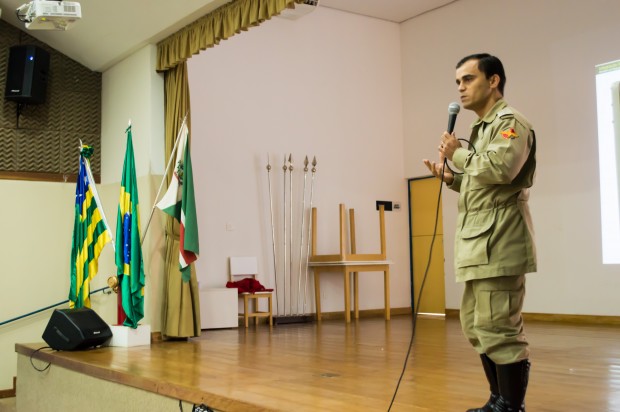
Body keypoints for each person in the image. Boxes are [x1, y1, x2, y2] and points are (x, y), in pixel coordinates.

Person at [423, 53, 537, 412]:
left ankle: (511, 407)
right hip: (480, 244)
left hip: (500, 241)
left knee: (500, 328)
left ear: (493, 81)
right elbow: (484, 184)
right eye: (458, 81)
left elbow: (502, 169)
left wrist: (457, 155)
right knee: (477, 326)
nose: (461, 88)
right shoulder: (482, 128)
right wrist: (452, 179)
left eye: (468, 79)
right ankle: (498, 400)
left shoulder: (510, 122)